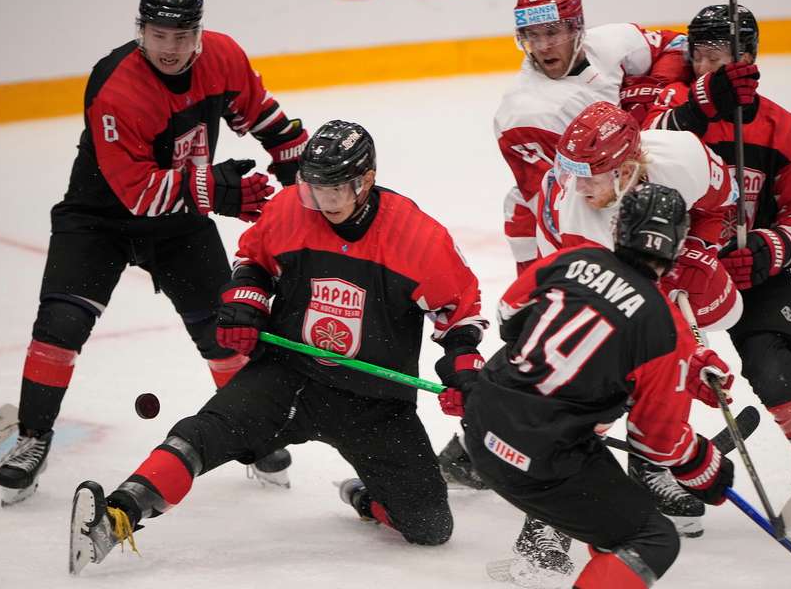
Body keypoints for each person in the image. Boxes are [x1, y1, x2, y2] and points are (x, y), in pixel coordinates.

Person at [68, 120, 490, 574]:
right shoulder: (291, 208)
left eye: (333, 192)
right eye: (313, 190)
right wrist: (244, 306)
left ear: (364, 180)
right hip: (288, 376)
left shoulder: (419, 237)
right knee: (203, 433)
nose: (321, 203)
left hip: (373, 401)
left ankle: (366, 497)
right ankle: (115, 515)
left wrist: (464, 376)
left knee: (430, 527)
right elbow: (254, 263)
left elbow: (458, 316)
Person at [0, 0, 311, 506]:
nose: (170, 47)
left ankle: (250, 430)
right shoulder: (116, 86)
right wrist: (221, 191)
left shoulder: (224, 57)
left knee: (225, 330)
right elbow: (139, 194)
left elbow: (265, 117)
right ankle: (32, 438)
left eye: (182, 36)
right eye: (159, 35)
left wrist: (300, 176)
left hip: (180, 220)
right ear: (140, 30)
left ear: (199, 33)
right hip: (99, 220)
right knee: (61, 324)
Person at [454, 182, 735, 588]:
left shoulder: (574, 258)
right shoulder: (664, 327)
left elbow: (509, 318)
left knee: (611, 517)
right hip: (542, 461)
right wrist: (701, 465)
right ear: (675, 245)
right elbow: (656, 441)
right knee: (652, 539)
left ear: (620, 227)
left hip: (482, 428)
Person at [643, 4, 791, 538]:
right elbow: (638, 146)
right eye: (698, 54)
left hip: (751, 271)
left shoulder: (785, 131)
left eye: (717, 55)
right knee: (657, 369)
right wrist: (695, 111)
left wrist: (767, 249)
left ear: (748, 59)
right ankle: (651, 469)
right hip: (679, 270)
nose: (703, 64)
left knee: (771, 366)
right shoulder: (675, 109)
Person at [496, 0, 691, 276]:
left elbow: (677, 45)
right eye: (532, 35)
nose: (543, 46)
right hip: (552, 223)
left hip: (619, 185)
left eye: (552, 32)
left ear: (577, 27)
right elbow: (570, 201)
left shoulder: (614, 42)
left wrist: (652, 95)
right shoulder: (525, 114)